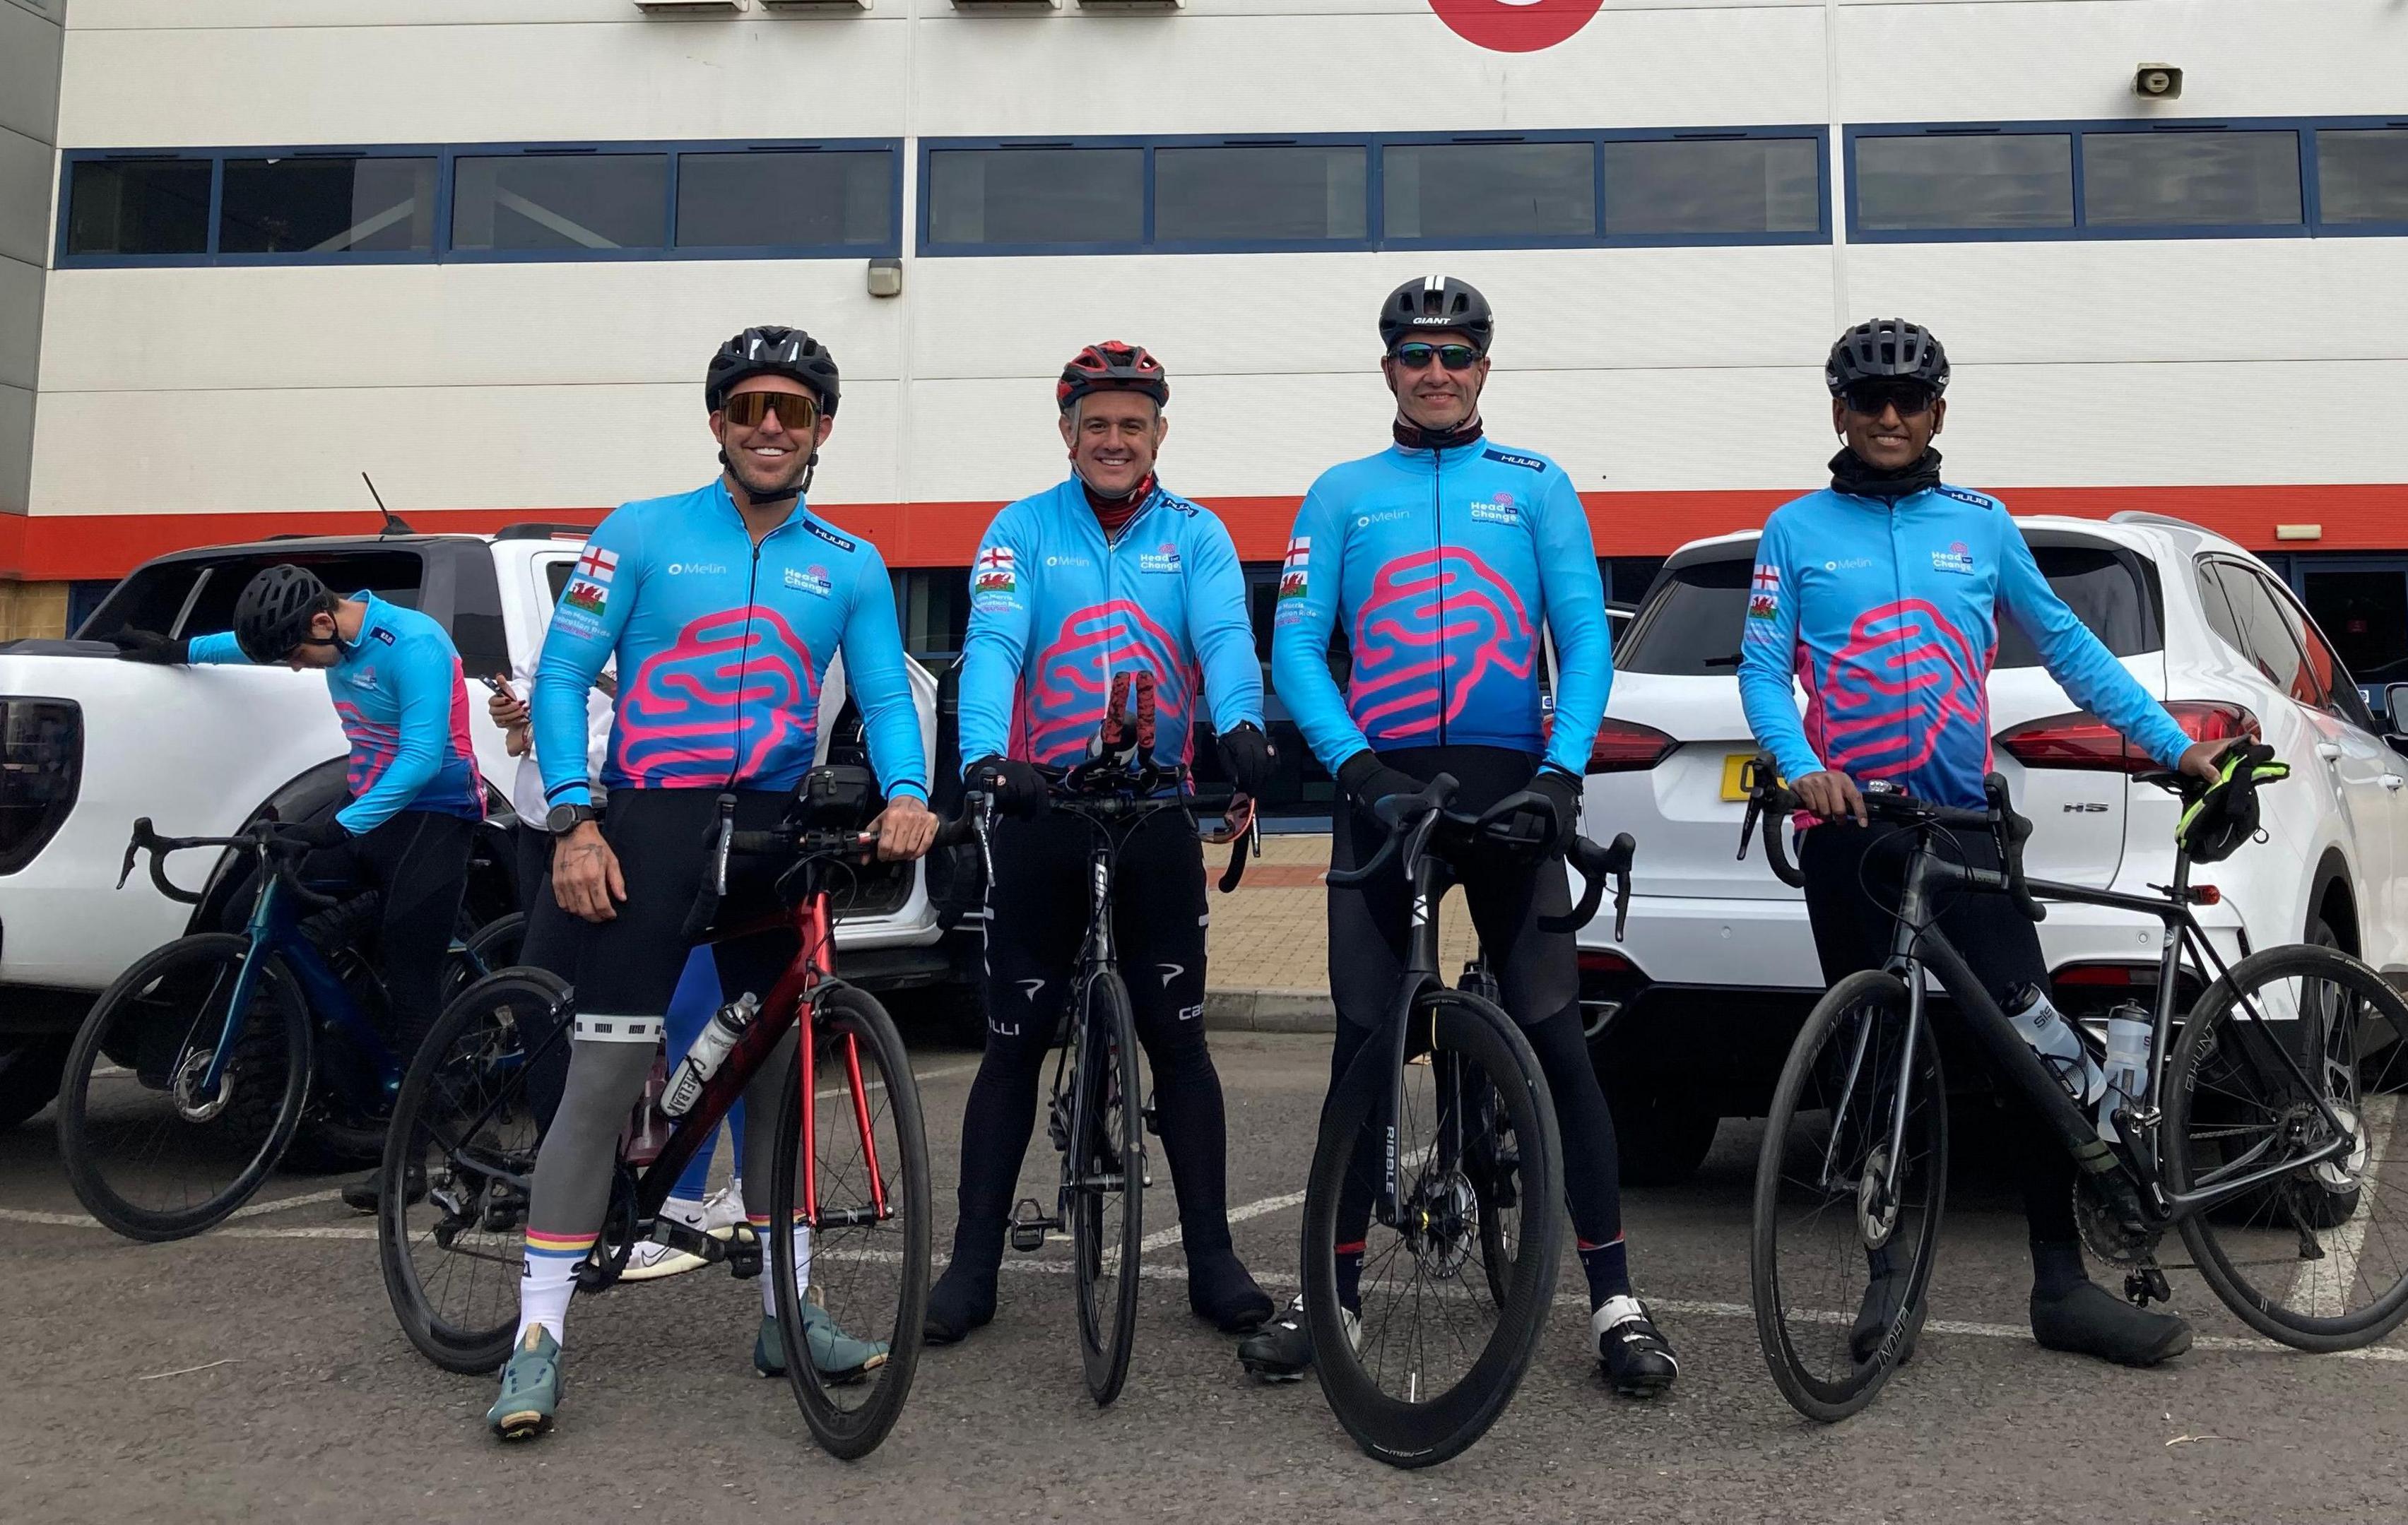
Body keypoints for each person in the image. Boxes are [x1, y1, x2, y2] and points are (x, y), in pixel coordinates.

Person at [1737, 317, 2231, 1368]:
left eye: (1909, 400)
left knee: (2033, 1053)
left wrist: (2174, 745)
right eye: (1868, 401)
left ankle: (2064, 1284)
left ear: (1938, 414)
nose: (1888, 417)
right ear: (1837, 412)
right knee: (1876, 1057)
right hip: (1856, 832)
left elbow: (2070, 647)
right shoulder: (1794, 529)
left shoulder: (1982, 523)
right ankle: (1886, 1278)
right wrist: (1798, 764)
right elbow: (1762, 670)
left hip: (1965, 828)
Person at [487, 326, 940, 1441]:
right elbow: (562, 675)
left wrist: (908, 788)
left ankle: (789, 1310)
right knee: (603, 1079)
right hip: (646, 824)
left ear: (823, 427)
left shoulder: (849, 562)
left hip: (773, 831)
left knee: (779, 1080)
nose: (771, 427)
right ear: (719, 423)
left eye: (792, 409)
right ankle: (537, 1332)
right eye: (749, 408)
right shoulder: (641, 533)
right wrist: (576, 816)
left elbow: (884, 695)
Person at [1249, 277, 1679, 1396]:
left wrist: (1560, 770)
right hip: (1379, 788)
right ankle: (1330, 1289)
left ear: (1484, 366)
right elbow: (1298, 647)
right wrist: (1356, 770)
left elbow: (1582, 636)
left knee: (1554, 1036)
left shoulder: (1536, 486)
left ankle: (1617, 1299)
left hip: (1511, 790)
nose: (1436, 372)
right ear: (1387, 367)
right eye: (1415, 354)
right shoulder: (1341, 493)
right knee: (1362, 1038)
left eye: (1457, 354)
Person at [923, 340, 1275, 1345]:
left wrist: (1240, 726)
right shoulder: (1021, 530)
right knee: (1013, 1042)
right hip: (1046, 807)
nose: (1114, 439)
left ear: (1159, 433)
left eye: (1133, 423)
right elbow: (993, 641)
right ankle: (973, 1263)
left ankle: (1212, 1258)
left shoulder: (1197, 535)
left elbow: (1222, 641)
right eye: (1097, 423)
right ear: (1068, 430)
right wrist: (990, 757)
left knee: (1179, 1036)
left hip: (1155, 805)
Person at [113, 565, 486, 1214]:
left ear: (322, 623)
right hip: (370, 805)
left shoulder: (415, 645)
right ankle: (333, 1040)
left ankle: (412, 1163)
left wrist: (339, 828)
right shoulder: (317, 635)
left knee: (412, 973)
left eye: (296, 655)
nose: (293, 668)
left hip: (434, 813)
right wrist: (180, 651)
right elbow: (244, 646)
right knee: (250, 905)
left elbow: (423, 758)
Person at [490, 660, 744, 1279]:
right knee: (562, 1012)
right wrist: (521, 723)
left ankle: (683, 1199)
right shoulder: (606, 575)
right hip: (582, 814)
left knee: (699, 1011)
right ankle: (567, 1234)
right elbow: (553, 679)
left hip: (670, 805)